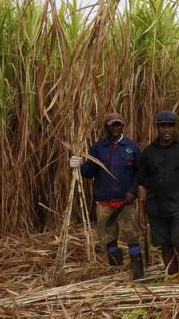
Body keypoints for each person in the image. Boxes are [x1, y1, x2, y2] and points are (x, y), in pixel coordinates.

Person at [69, 112, 143, 279]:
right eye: (112, 125)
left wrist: (133, 192)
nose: (115, 128)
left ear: (122, 125)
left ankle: (138, 276)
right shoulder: (98, 147)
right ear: (106, 127)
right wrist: (79, 165)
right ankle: (116, 273)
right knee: (108, 238)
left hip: (126, 202)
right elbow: (89, 172)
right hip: (104, 202)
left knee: (132, 237)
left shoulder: (131, 146)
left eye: (118, 124)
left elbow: (140, 173)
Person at [137, 110, 179, 284]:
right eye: (163, 126)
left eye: (170, 126)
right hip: (155, 206)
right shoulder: (148, 153)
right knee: (165, 244)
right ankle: (173, 279)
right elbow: (143, 184)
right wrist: (140, 213)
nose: (166, 129)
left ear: (174, 127)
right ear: (157, 127)